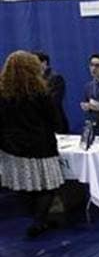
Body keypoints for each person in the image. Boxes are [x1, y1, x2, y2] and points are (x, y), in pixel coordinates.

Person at [0, 51, 64, 237]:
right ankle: (39, 220)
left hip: (12, 148)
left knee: (23, 185)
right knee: (49, 185)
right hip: (40, 147)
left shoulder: (3, 94)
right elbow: (54, 120)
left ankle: (37, 219)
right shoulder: (40, 93)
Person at [33, 51, 69, 134]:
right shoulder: (34, 78)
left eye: (34, 62)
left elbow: (55, 100)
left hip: (53, 120)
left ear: (44, 63)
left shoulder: (55, 78)